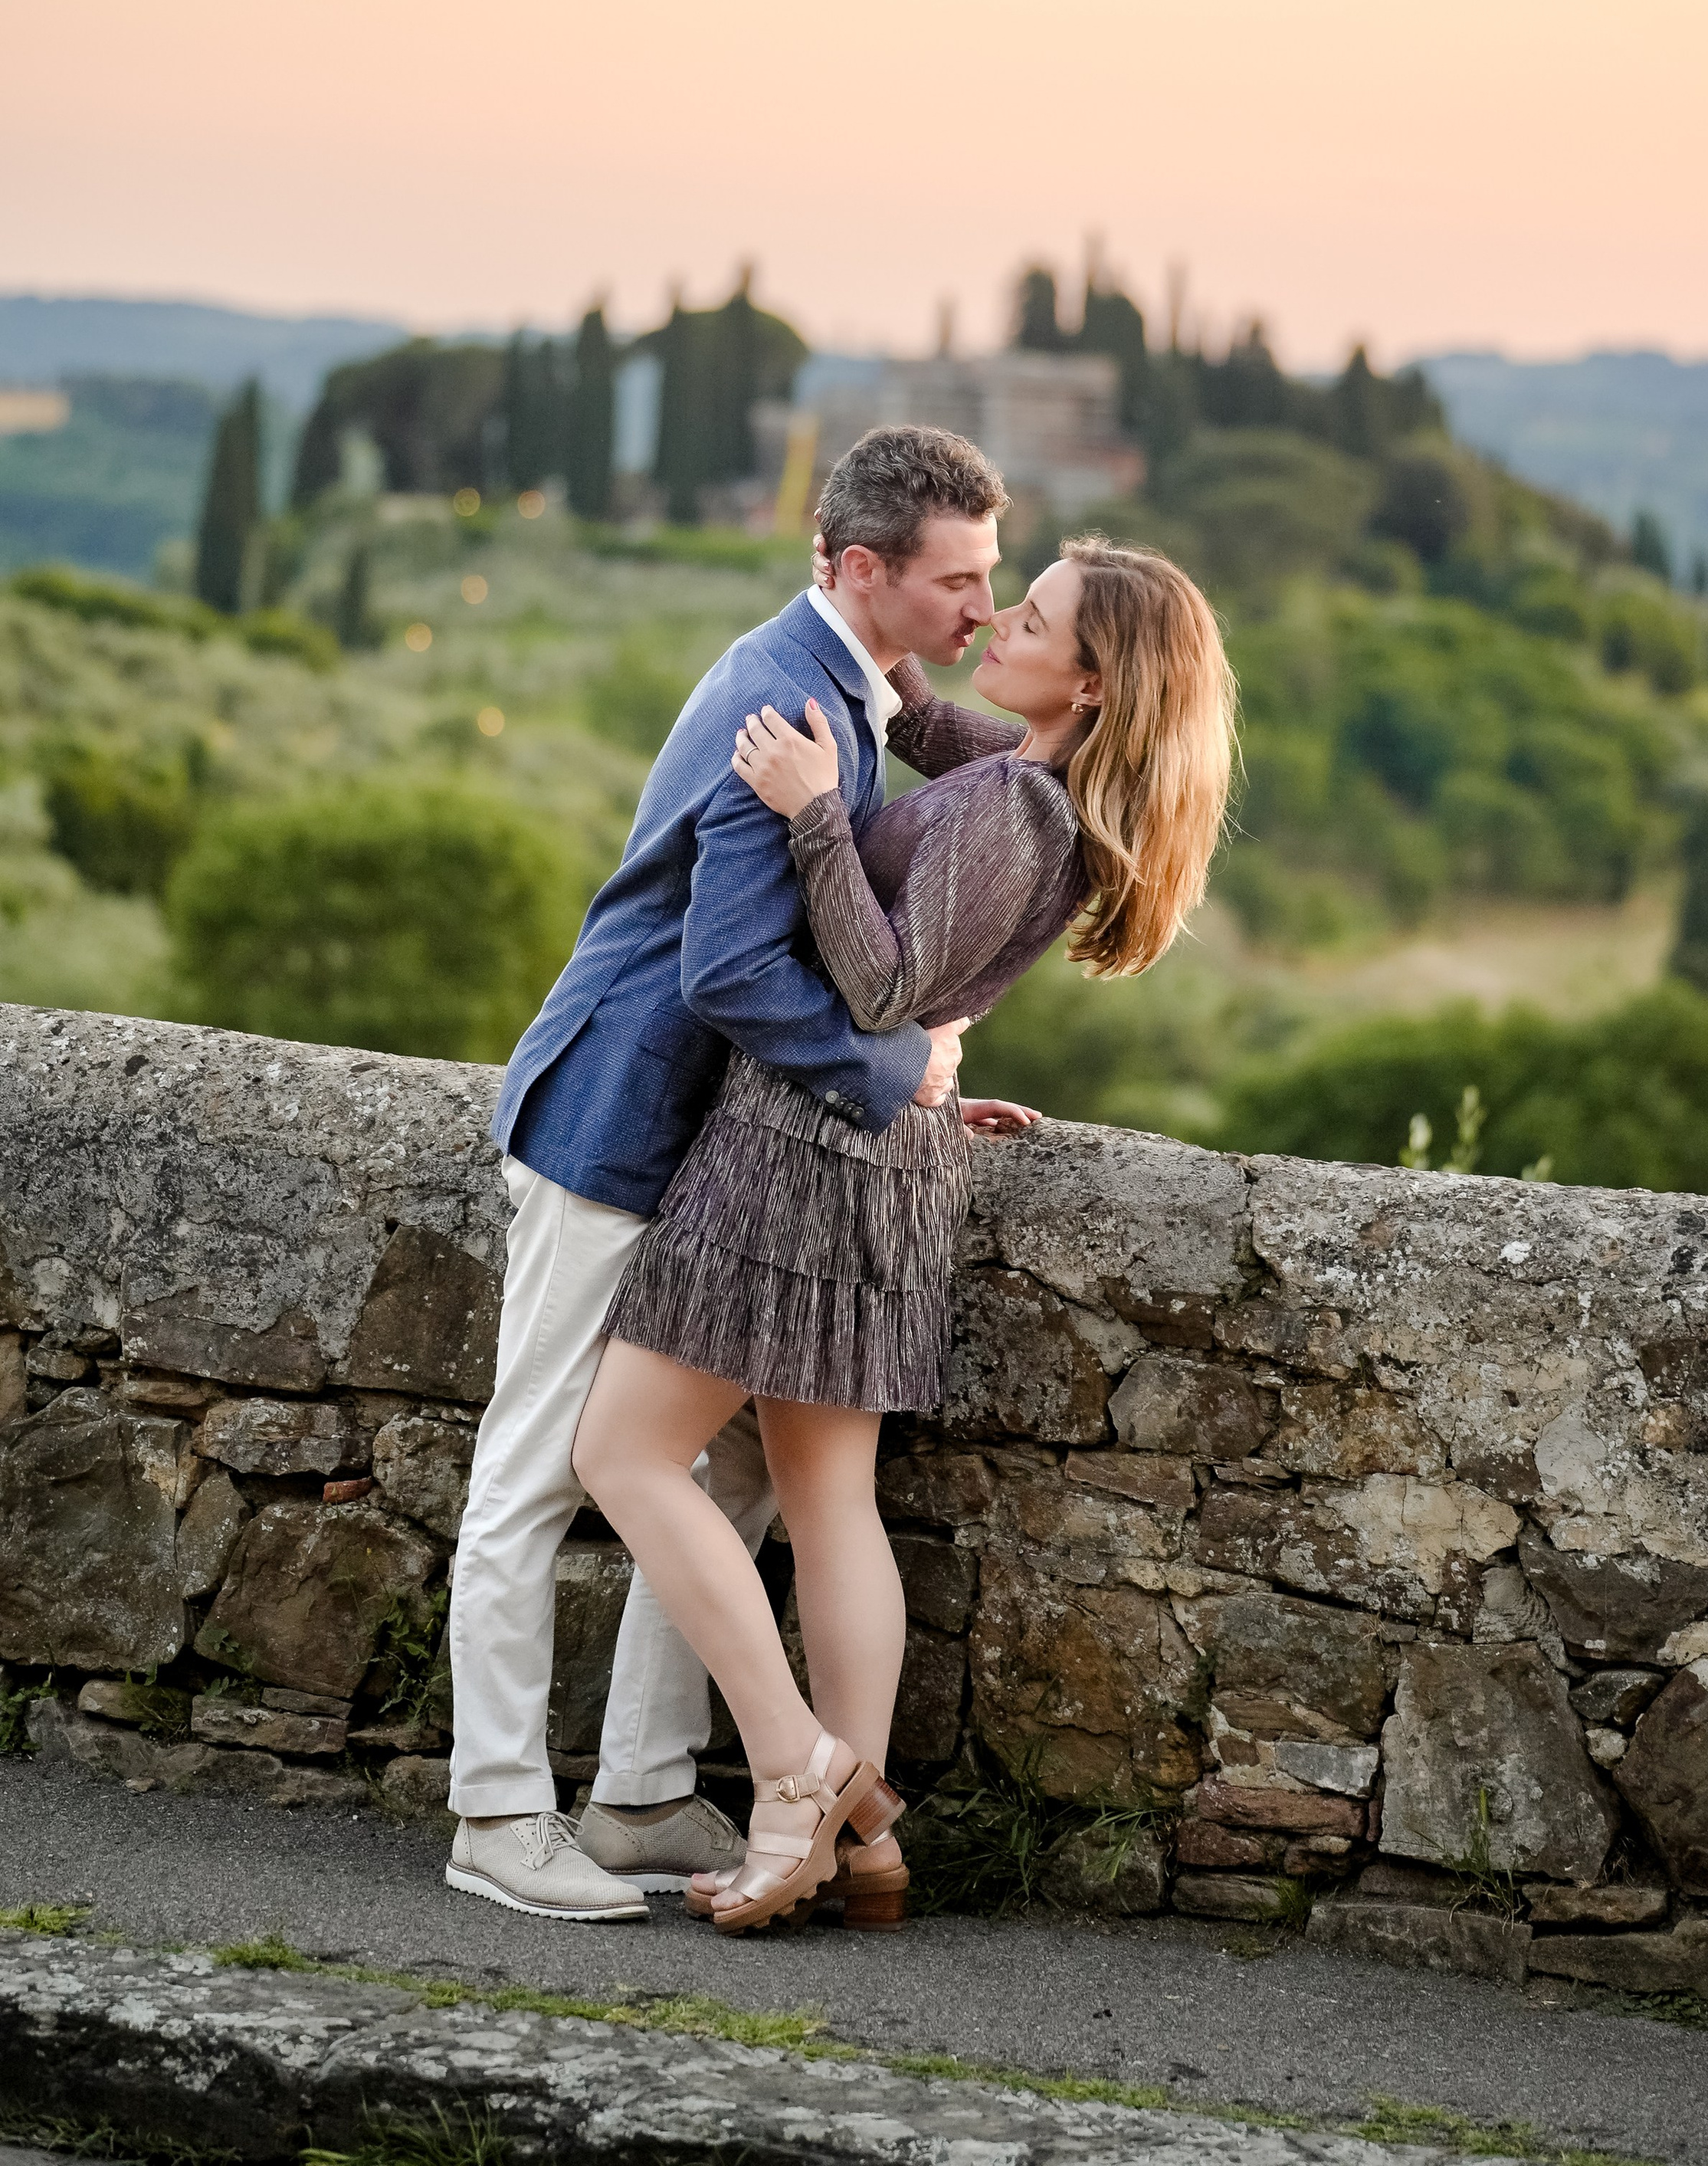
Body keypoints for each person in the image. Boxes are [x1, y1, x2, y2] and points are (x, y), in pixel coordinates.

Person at [571, 533, 1237, 1931]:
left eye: (1031, 613)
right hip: (884, 1160)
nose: (997, 617)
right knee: (825, 1504)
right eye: (996, 591)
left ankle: (803, 1774)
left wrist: (816, 813)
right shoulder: (1039, 781)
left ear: (1096, 683)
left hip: (802, 1161)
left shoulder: (1019, 812)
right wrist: (865, 633)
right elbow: (932, 725)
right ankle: (859, 1849)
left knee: (622, 1451)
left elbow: (880, 989)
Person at [444, 425, 1009, 1921]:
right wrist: (900, 1081)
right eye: (957, 580)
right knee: (532, 1474)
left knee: (714, 1473)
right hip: (615, 1117)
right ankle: (495, 1818)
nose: (978, 608)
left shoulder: (852, 690)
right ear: (862, 569)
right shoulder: (782, 690)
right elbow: (730, 969)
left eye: (991, 580)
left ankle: (638, 1793)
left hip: (707, 1141)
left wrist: (926, 1087)